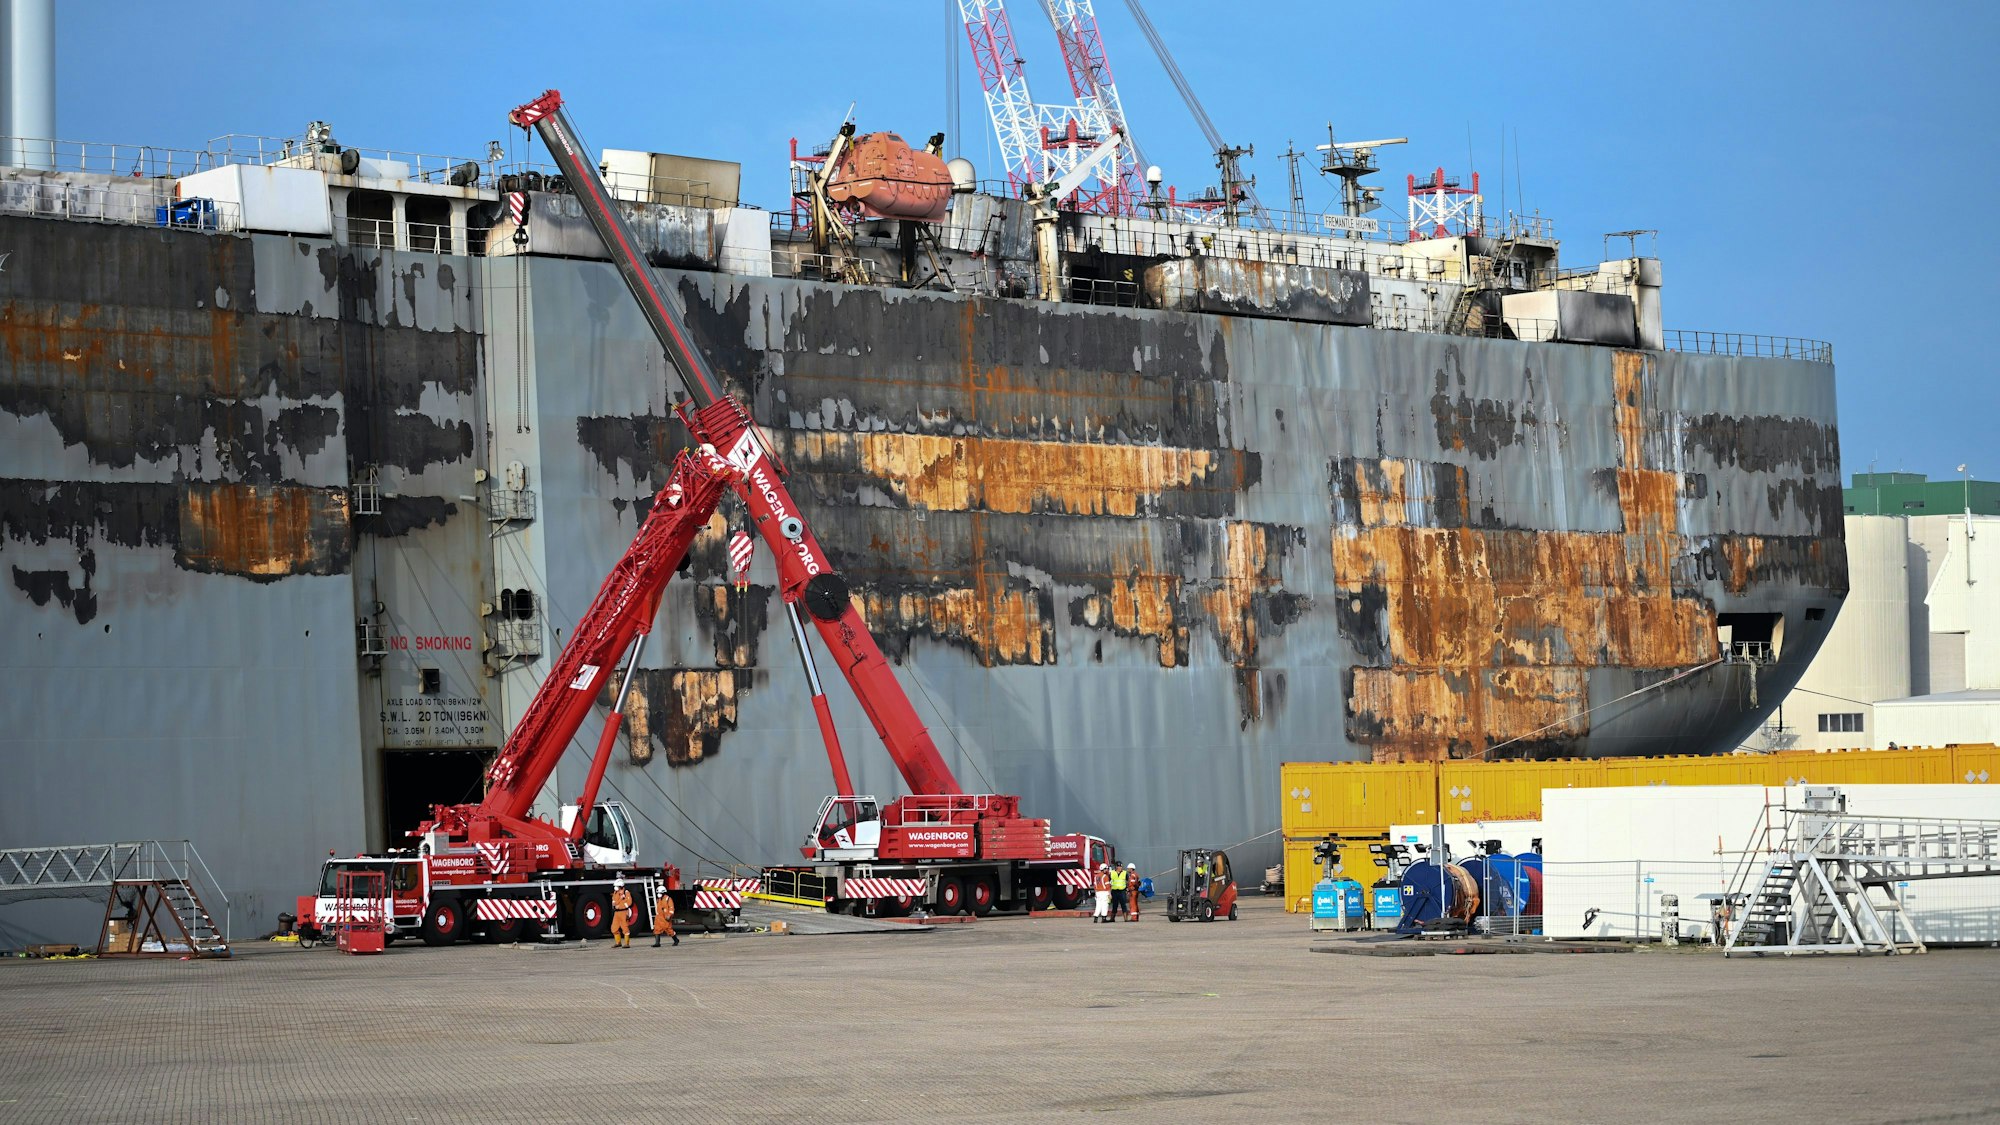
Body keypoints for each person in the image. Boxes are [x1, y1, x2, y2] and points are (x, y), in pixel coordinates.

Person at [651, 882, 678, 948]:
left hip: (666, 917)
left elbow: (671, 908)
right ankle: (657, 943)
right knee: (656, 929)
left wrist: (669, 915)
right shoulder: (659, 899)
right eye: (658, 893)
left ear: (663, 893)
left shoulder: (668, 899)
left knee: (668, 929)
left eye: (660, 893)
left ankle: (676, 940)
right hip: (659, 917)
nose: (658, 894)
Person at [609, 877, 633, 949]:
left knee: (625, 927)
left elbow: (629, 902)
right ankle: (618, 942)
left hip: (624, 912)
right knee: (614, 928)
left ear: (621, 886)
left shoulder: (626, 893)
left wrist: (620, 906)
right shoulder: (615, 893)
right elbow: (614, 901)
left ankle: (626, 943)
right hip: (617, 913)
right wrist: (615, 904)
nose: (615, 888)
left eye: (617, 886)